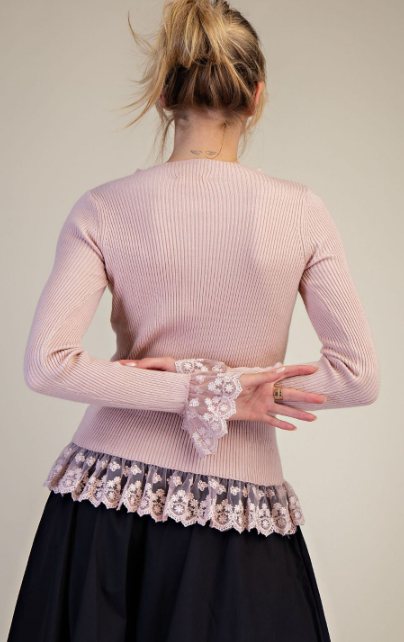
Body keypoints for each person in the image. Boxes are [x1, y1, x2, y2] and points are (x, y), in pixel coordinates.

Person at [7, 1, 380, 640]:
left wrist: (201, 388)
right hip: (239, 511)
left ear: (162, 93)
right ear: (256, 97)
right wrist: (225, 393)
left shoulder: (103, 208)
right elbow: (358, 375)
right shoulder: (301, 213)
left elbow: (48, 364)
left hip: (107, 501)